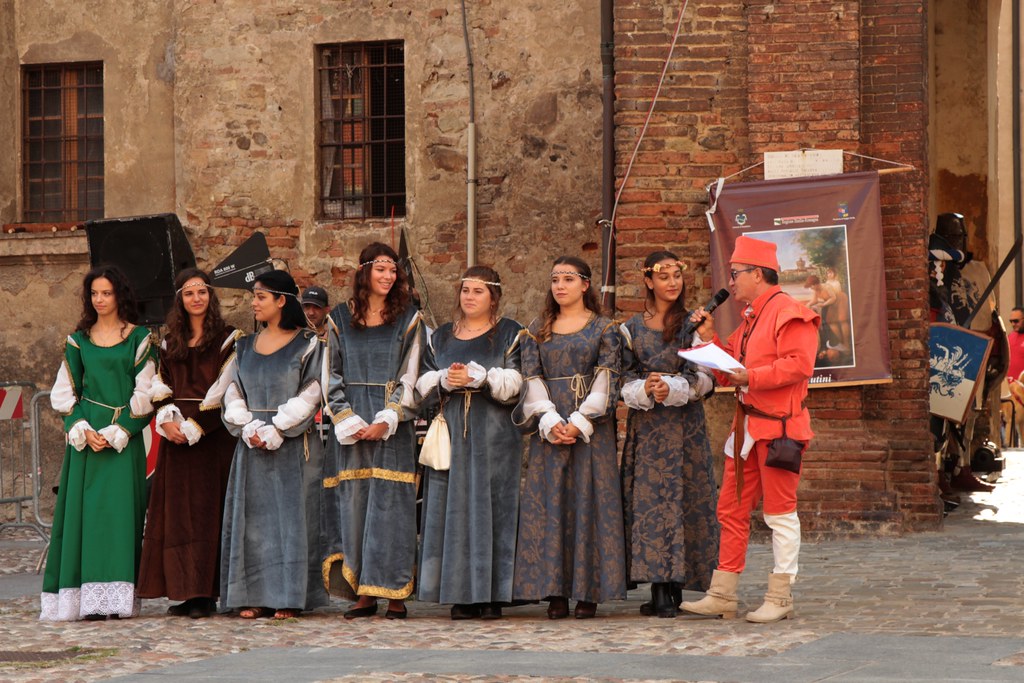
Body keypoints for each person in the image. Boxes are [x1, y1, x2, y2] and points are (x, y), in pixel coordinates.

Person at [681, 235, 819, 623]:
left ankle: (780, 595)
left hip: (779, 431)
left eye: (736, 273)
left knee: (780, 514)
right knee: (731, 510)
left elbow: (799, 365)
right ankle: (722, 594)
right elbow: (733, 370)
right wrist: (709, 339)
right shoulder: (751, 317)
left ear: (757, 274)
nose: (731, 281)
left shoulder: (790, 312)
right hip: (745, 430)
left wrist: (751, 376)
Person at [512, 256, 626, 620]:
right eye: (555, 279)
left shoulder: (605, 328)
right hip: (550, 427)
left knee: (588, 503)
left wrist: (579, 421)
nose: (560, 286)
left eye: (568, 279)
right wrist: (549, 419)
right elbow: (531, 377)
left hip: (590, 428)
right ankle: (555, 589)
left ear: (585, 285)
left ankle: (588, 590)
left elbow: (607, 379)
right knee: (552, 504)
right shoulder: (536, 330)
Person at [42, 265, 157, 621]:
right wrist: (81, 428)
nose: (100, 299)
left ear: (120, 295)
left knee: (120, 517)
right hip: (86, 441)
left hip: (122, 441)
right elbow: (65, 392)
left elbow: (146, 393)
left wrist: (117, 431)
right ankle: (84, 599)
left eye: (106, 293)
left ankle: (115, 600)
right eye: (94, 293)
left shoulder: (139, 338)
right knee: (85, 517)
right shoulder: (78, 341)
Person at [414, 266, 525, 620]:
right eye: (465, 290)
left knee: (493, 510)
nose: (470, 297)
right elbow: (421, 381)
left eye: (478, 291)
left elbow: (518, 380)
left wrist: (480, 377)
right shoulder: (442, 336)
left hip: (494, 437)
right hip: (451, 435)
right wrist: (446, 379)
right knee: (453, 510)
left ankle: (492, 594)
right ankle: (459, 592)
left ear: (493, 296)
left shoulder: (510, 332)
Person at [322, 242, 425, 620]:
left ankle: (395, 592)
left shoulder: (409, 319)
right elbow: (329, 373)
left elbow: (413, 373)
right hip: (351, 426)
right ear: (364, 271)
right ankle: (364, 592)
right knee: (355, 506)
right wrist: (347, 418)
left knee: (392, 509)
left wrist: (388, 418)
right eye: (381, 269)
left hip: (391, 426)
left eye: (393, 270)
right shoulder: (339, 318)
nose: (388, 276)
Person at [219, 269, 326, 620]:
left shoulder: (308, 344)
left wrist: (278, 427)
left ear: (282, 301)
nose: (254, 303)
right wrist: (247, 426)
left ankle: (289, 596)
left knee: (291, 521)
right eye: (254, 296)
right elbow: (232, 389)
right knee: (254, 522)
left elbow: (313, 391)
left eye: (260, 296)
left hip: (292, 445)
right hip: (251, 445)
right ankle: (254, 595)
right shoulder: (244, 347)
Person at [136, 268, 241, 619]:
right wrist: (168, 419)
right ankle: (184, 590)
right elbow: (160, 384)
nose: (197, 298)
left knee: (208, 514)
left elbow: (224, 387)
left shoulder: (228, 339)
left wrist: (196, 425)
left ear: (210, 295)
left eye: (202, 291)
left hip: (212, 439)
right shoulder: (170, 342)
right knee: (179, 517)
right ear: (180, 299)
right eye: (189, 293)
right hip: (176, 439)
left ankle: (206, 594)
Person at [620, 252, 718, 619]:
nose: (673, 282)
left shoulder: (693, 324)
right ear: (649, 281)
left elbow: (708, 376)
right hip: (648, 429)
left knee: (685, 498)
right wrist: (646, 388)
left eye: (677, 275)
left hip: (686, 426)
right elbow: (621, 379)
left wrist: (675, 386)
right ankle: (660, 587)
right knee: (651, 503)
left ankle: (679, 585)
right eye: (664, 277)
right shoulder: (630, 329)